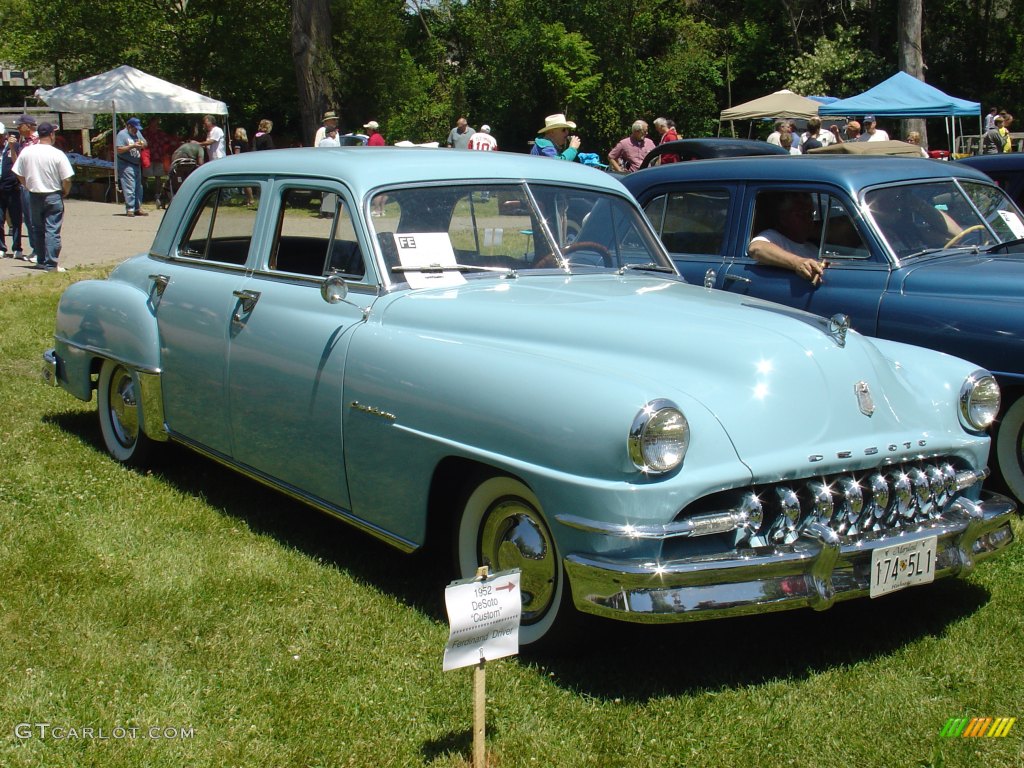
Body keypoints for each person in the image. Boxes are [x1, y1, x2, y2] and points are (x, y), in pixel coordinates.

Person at [12, 122, 73, 272]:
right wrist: (65, 191)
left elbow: (18, 171)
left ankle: (41, 259)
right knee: (52, 230)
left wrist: (27, 185)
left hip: (34, 194)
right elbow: (67, 178)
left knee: (37, 228)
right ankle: (51, 264)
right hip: (53, 194)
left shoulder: (27, 151)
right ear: (52, 134)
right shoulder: (57, 154)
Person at [748, 191, 825, 286]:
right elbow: (756, 248)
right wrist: (798, 263)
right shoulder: (774, 237)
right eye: (801, 214)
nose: (808, 219)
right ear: (783, 218)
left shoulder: (813, 248)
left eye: (811, 214)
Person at [11, 114, 40, 262]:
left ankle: (40, 251)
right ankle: (35, 249)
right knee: (28, 219)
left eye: (19, 125)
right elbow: (17, 165)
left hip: (36, 184)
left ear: (28, 126)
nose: (17, 128)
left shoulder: (38, 141)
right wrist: (12, 147)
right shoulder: (24, 142)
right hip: (24, 184)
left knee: (36, 220)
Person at [0, 123, 24, 259]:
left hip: (13, 188)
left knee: (16, 219)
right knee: (0, 219)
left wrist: (12, 147)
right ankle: (1, 247)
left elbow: (18, 164)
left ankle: (17, 247)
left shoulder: (14, 146)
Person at [115, 117, 148, 217]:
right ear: (129, 126)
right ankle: (130, 208)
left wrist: (142, 144)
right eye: (134, 128)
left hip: (136, 163)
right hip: (126, 163)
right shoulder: (122, 134)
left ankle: (137, 208)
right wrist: (132, 146)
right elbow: (119, 150)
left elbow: (145, 143)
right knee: (130, 186)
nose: (136, 130)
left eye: (137, 128)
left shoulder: (137, 133)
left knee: (138, 187)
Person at [144, 117, 177, 208]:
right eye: (155, 122)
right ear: (150, 123)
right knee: (145, 177)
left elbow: (169, 141)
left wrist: (176, 142)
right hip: (148, 157)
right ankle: (144, 195)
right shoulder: (145, 132)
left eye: (157, 123)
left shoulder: (160, 133)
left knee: (158, 177)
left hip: (158, 157)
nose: (156, 124)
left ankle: (157, 195)